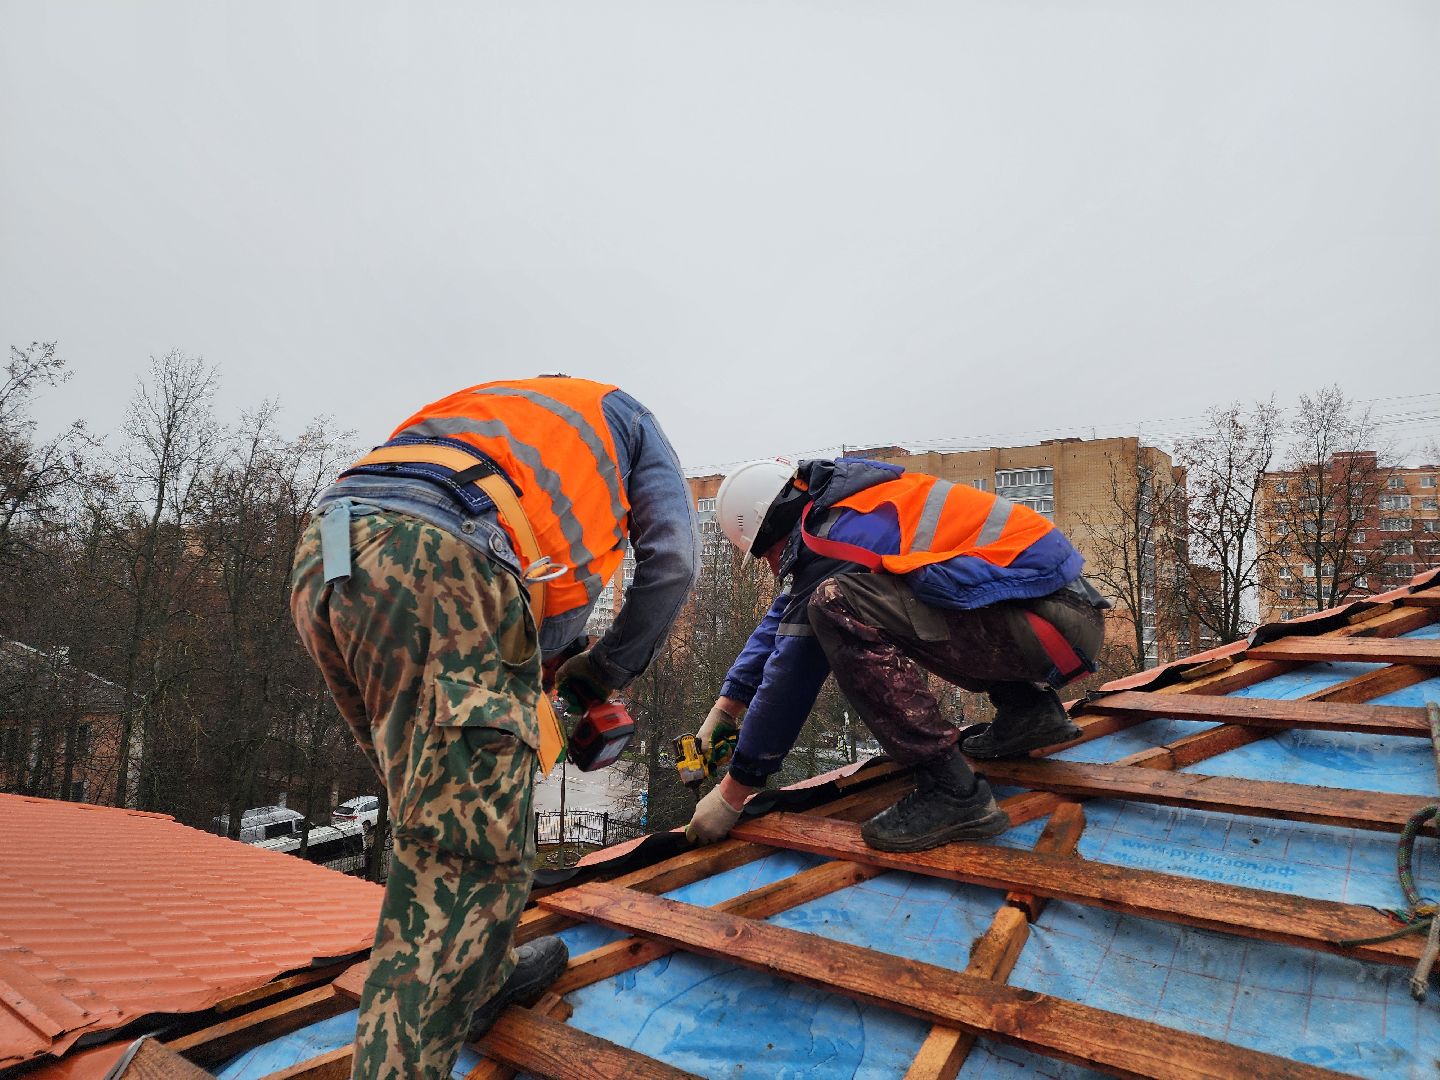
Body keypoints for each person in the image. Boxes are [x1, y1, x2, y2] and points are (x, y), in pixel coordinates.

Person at [290, 376, 698, 1080]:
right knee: (463, 865)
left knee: (437, 815)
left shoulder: (499, 410)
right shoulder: (628, 419)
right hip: (441, 561)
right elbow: (672, 564)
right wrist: (603, 674)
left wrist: (536, 666)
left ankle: (480, 979)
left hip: (326, 557)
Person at [685, 456, 1106, 853]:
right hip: (1052, 618)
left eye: (764, 554)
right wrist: (726, 708)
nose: (771, 567)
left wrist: (734, 792)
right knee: (886, 600)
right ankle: (1029, 713)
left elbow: (791, 671)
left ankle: (952, 790)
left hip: (1048, 627)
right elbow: (782, 617)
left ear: (772, 525)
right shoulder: (847, 513)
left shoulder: (834, 538)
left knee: (834, 605)